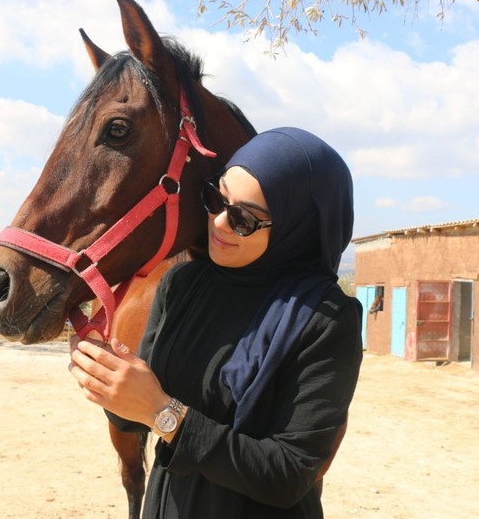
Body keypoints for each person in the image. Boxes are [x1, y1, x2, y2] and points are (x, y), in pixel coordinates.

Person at [69, 127, 363, 518]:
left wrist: (164, 413)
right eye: (215, 198)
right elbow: (133, 414)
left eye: (244, 219)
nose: (219, 223)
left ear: (297, 227)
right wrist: (109, 377)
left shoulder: (325, 320)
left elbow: (290, 473)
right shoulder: (182, 284)